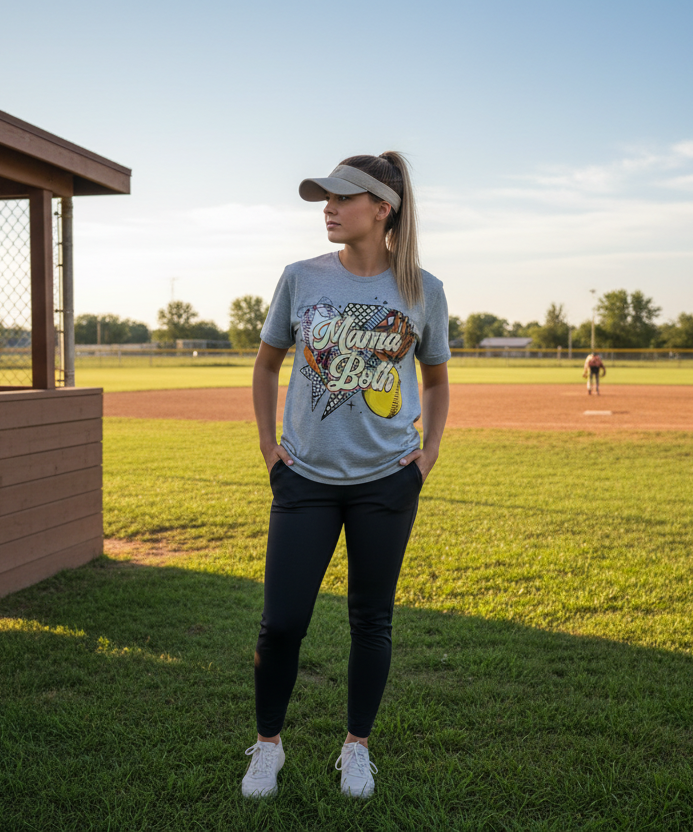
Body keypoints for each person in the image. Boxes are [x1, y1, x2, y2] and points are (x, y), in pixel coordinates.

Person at [243, 152, 451, 800]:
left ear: (381, 209)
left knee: (372, 619)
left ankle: (356, 747)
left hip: (386, 482)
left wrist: (428, 456)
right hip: (303, 478)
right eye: (324, 199)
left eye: (342, 198)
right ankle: (268, 746)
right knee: (281, 623)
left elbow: (439, 380)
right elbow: (265, 365)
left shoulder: (424, 290)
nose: (328, 209)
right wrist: (269, 452)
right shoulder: (300, 278)